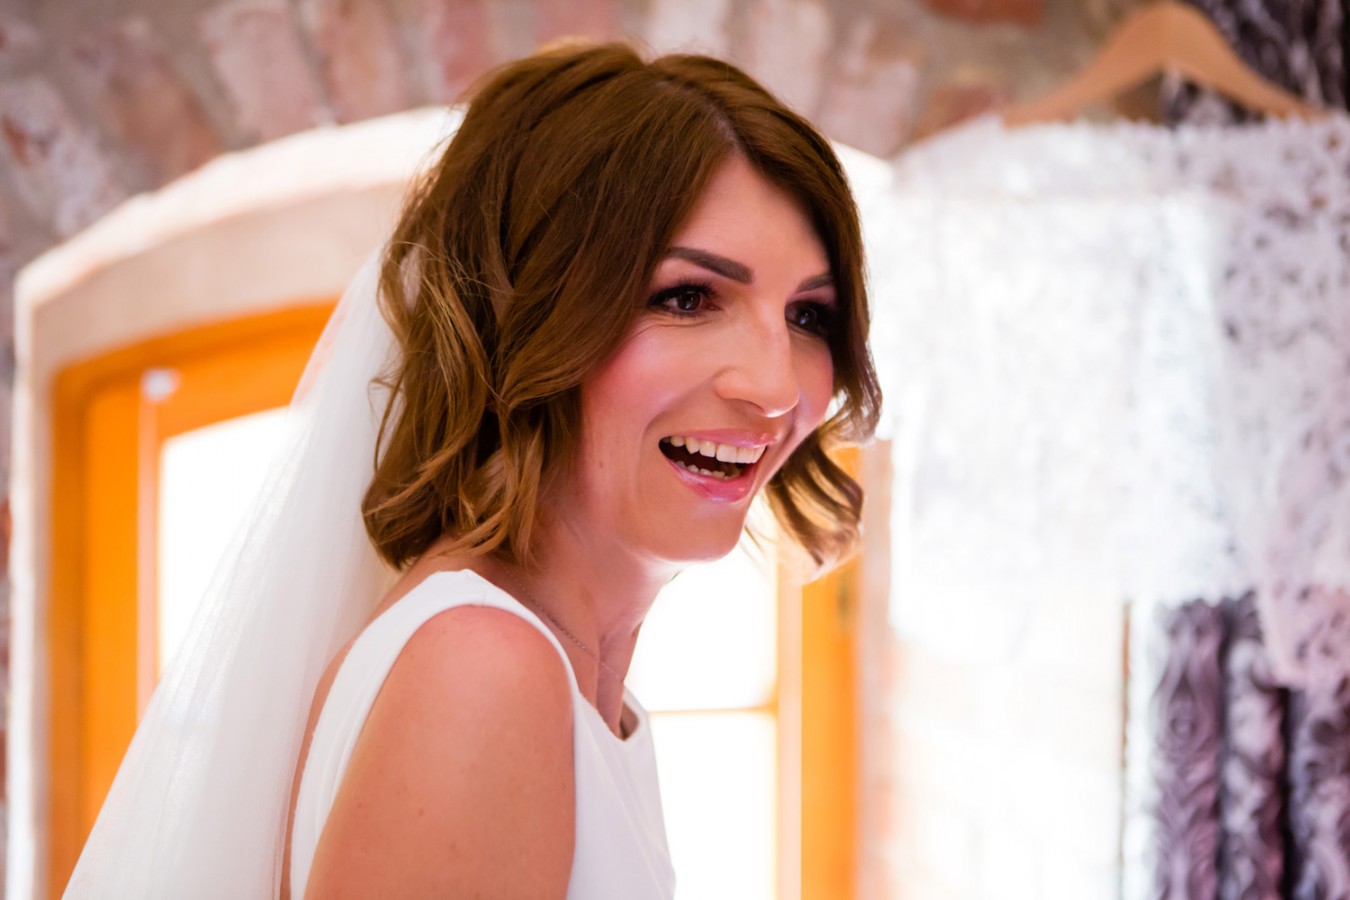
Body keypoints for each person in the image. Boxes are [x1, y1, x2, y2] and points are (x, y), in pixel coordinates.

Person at [64, 42, 879, 899]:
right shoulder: (484, 673)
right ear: (534, 314)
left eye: (808, 315)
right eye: (687, 298)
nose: (776, 386)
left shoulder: (573, 687)